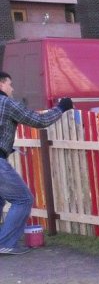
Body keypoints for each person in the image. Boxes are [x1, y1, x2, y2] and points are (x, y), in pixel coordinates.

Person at [0, 72, 72, 255]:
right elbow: (39, 121)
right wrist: (61, 108)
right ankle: (6, 243)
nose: (12, 88)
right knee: (23, 199)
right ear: (1, 85)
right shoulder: (7, 104)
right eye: (10, 84)